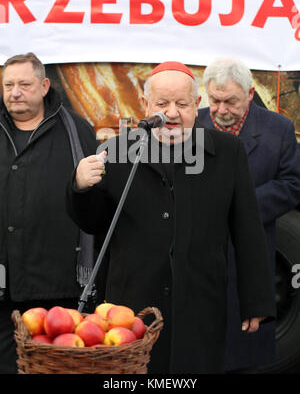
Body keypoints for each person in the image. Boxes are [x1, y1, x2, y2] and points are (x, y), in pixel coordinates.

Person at [66, 61, 276, 374]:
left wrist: (256, 300)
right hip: (131, 305)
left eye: (182, 104)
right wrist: (81, 187)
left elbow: (247, 229)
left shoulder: (228, 151)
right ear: (145, 104)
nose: (172, 114)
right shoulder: (117, 150)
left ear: (198, 104)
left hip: (200, 302)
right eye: (162, 104)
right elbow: (95, 224)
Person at [197, 58, 300, 372]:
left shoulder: (278, 128)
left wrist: (242, 206)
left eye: (231, 101)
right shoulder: (192, 126)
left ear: (250, 94)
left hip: (251, 255)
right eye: (215, 101)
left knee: (249, 354)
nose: (222, 109)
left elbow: (293, 183)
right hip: (200, 256)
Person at [0, 53, 98, 374]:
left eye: (24, 84)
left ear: (44, 86)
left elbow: (95, 205)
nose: (15, 92)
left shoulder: (78, 130)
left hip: (56, 291)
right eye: (8, 85)